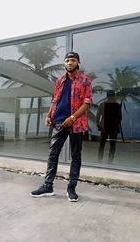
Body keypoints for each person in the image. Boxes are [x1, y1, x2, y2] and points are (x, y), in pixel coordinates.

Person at [30, 51, 92, 202]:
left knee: (75, 156)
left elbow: (87, 103)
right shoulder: (60, 81)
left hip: (76, 123)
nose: (69, 63)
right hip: (58, 122)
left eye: (72, 60)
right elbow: (54, 100)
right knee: (53, 154)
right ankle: (48, 186)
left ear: (78, 62)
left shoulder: (85, 80)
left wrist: (72, 118)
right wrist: (49, 115)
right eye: (67, 61)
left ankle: (71, 189)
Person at [96, 90, 122, 163]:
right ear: (114, 96)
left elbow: (98, 117)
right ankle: (110, 161)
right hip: (112, 128)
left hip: (105, 127)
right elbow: (120, 118)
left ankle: (99, 160)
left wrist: (99, 126)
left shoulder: (102, 104)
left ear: (107, 96)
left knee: (102, 145)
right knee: (112, 145)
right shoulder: (117, 105)